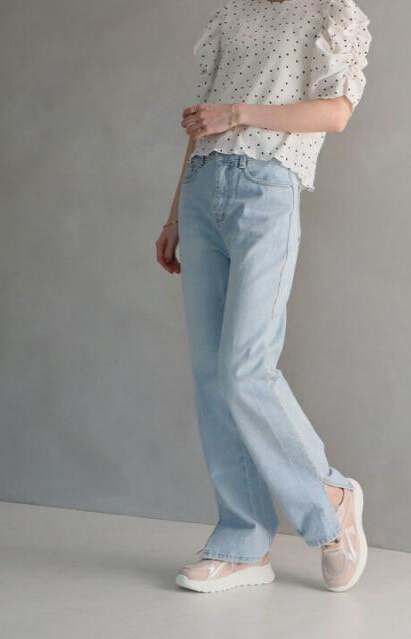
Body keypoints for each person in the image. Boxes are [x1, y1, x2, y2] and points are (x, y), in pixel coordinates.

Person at [155, 0, 372, 593]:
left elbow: (336, 112)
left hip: (265, 189)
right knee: (211, 376)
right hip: (202, 193)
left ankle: (329, 500)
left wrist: (239, 112)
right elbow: (203, 129)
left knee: (244, 368)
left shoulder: (331, 14)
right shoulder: (233, 13)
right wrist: (174, 214)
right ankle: (243, 542)